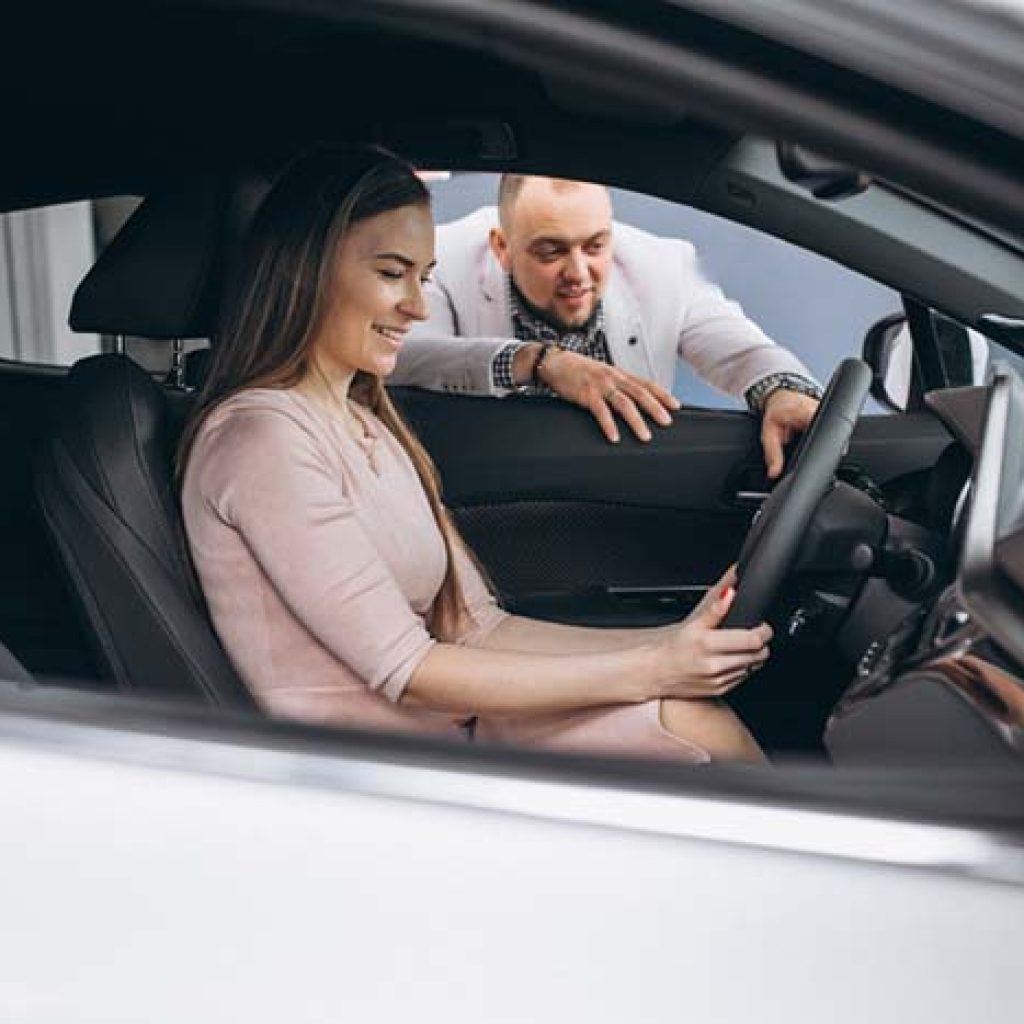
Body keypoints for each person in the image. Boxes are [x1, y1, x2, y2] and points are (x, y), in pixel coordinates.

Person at [180, 146, 772, 764]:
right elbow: (411, 671)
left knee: (693, 713)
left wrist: (673, 642)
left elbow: (475, 627)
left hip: (448, 733)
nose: (419, 306)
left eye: (423, 276)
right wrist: (656, 670)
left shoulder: (365, 419)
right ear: (306, 273)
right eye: (391, 273)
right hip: (371, 769)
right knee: (689, 720)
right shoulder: (261, 440)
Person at [390, 175, 822, 479]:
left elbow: (740, 349)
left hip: (616, 485)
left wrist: (782, 391)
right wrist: (538, 362)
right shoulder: (441, 256)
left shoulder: (662, 265)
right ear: (501, 248)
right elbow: (405, 356)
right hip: (484, 481)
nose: (578, 272)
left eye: (596, 246)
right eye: (550, 252)